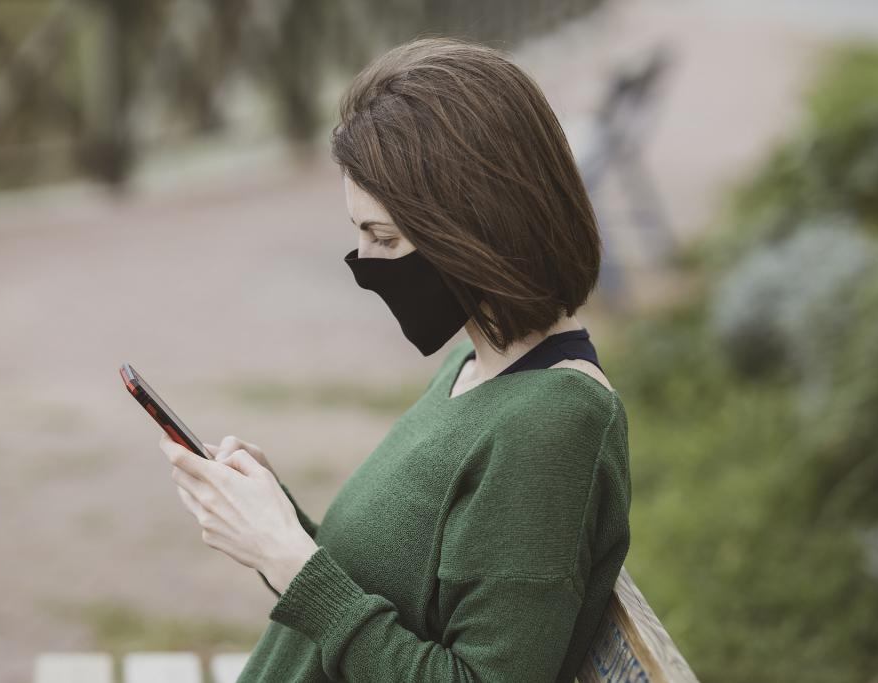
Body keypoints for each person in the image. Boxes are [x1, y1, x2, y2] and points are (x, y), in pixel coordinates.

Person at [160, 35, 631, 681]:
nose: (365, 264)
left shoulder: (552, 425)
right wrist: (274, 523)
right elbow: (397, 598)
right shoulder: (474, 367)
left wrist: (290, 560)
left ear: (474, 227)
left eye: (383, 236)